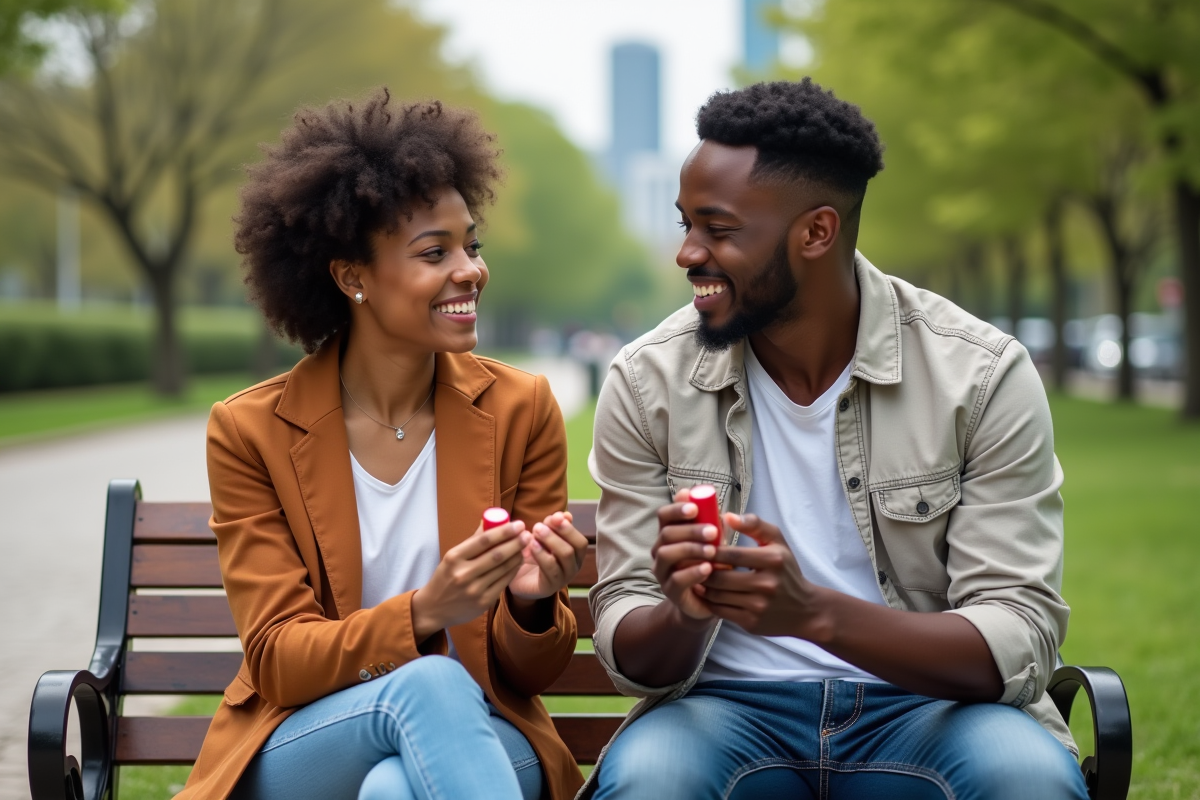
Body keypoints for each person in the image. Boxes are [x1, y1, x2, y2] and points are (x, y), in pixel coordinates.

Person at [584, 80, 1090, 800]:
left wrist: (814, 614)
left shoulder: (978, 374)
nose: (687, 253)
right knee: (651, 780)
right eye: (684, 224)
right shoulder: (647, 381)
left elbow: (1015, 634)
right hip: (721, 714)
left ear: (816, 232)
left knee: (1027, 778)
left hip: (932, 712)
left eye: (718, 229)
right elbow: (630, 651)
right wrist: (684, 612)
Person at [177, 88, 588, 800]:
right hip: (309, 736)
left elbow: (527, 675)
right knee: (426, 684)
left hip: (481, 734)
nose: (470, 270)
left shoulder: (521, 409)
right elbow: (278, 658)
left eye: (471, 244)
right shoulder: (251, 432)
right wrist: (426, 612)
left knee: (396, 791)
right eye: (436, 252)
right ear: (351, 276)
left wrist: (529, 606)